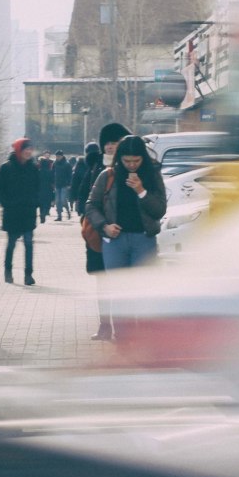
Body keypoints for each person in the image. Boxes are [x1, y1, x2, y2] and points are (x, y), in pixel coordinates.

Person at [85, 133, 166, 341]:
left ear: (143, 158)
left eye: (136, 161)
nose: (131, 165)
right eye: (126, 160)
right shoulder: (108, 175)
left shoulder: (152, 175)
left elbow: (159, 210)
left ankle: (142, 334)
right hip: (115, 241)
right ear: (119, 158)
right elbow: (91, 205)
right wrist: (104, 226)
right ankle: (122, 336)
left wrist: (141, 191)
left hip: (143, 239)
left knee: (141, 289)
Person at [73, 123, 129, 340]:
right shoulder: (96, 166)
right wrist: (94, 221)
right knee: (103, 283)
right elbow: (85, 197)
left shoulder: (130, 166)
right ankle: (105, 325)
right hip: (99, 233)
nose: (109, 147)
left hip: (123, 232)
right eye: (107, 143)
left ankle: (122, 328)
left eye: (114, 143)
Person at [0, 137, 40, 285]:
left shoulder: (33, 168)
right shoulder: (6, 167)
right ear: (19, 150)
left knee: (28, 243)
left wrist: (36, 202)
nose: (28, 152)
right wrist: (7, 203)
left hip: (28, 212)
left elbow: (38, 188)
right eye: (26, 149)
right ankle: (8, 271)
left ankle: (28, 275)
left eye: (30, 149)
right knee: (12, 243)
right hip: (12, 212)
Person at [53, 149, 73, 221]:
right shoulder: (55, 163)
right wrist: (53, 183)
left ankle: (68, 212)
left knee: (63, 200)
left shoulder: (67, 164)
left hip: (64, 184)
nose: (57, 157)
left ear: (62, 156)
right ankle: (59, 216)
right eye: (56, 156)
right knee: (58, 201)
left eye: (58, 156)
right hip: (57, 184)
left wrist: (69, 184)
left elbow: (70, 175)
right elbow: (52, 173)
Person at [37, 155, 54, 224]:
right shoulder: (49, 172)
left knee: (41, 203)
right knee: (47, 202)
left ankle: (42, 214)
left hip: (40, 189)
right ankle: (45, 211)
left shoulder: (38, 171)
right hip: (48, 189)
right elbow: (52, 180)